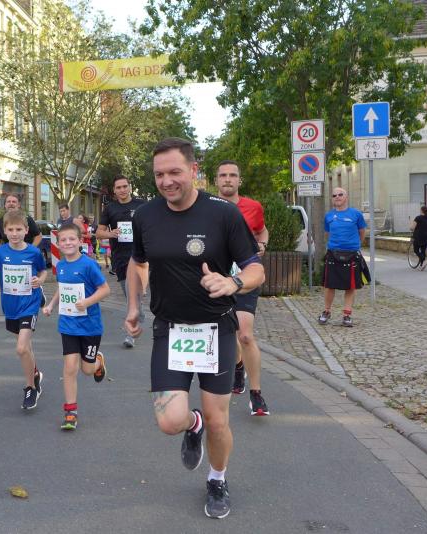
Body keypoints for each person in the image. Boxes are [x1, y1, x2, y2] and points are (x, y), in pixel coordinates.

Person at [125, 137, 264, 519]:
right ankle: (193, 422)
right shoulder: (145, 216)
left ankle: (217, 478)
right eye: (159, 174)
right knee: (170, 421)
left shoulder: (222, 214)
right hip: (169, 329)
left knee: (219, 421)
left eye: (174, 172)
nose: (166, 181)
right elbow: (137, 263)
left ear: (193, 170)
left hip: (216, 329)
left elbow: (255, 268)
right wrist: (134, 305)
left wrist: (233, 283)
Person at [42, 223, 110, 431]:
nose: (68, 243)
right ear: (58, 244)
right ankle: (70, 411)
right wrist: (51, 305)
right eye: (63, 240)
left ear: (80, 241)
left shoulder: (89, 265)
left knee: (87, 370)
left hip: (90, 326)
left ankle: (98, 362)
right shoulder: (61, 266)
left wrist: (87, 302)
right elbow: (62, 288)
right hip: (68, 324)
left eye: (72, 239)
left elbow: (105, 289)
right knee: (70, 368)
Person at [215, 161, 270, 415]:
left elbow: (262, 230)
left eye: (232, 175)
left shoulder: (253, 207)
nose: (228, 179)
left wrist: (263, 245)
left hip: (245, 277)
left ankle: (256, 394)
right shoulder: (206, 207)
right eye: (223, 175)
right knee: (229, 330)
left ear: (239, 180)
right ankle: (238, 366)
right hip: (218, 279)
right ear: (216, 180)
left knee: (245, 335)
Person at [0, 209, 48, 409]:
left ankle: (31, 388)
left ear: (26, 230)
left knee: (21, 348)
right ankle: (35, 374)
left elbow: (43, 271)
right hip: (10, 306)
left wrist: (40, 280)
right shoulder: (0, 253)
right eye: (11, 229)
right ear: (4, 231)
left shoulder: (33, 252)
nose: (14, 233)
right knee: (26, 347)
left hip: (29, 304)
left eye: (19, 229)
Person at [96, 175, 147, 348]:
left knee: (134, 295)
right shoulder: (110, 209)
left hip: (141, 257)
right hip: (121, 258)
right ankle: (137, 314)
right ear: (114, 190)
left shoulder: (142, 205)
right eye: (119, 187)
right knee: (130, 295)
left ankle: (130, 333)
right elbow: (99, 232)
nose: (122, 190)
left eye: (125, 186)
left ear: (130, 187)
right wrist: (110, 233)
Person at [318, 188, 367, 328]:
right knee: (329, 285)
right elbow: (328, 234)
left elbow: (362, 232)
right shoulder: (328, 216)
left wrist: (355, 245)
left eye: (340, 194)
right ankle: (326, 311)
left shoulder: (356, 214)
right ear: (332, 199)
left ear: (346, 197)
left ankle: (347, 315)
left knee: (350, 286)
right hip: (333, 254)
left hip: (351, 254)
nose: (337, 197)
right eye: (334, 195)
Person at [410, 205, 427, 270]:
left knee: (416, 250)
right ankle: (421, 266)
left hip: (418, 237)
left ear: (421, 210)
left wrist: (411, 226)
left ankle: (424, 260)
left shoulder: (418, 218)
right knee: (423, 251)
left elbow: (412, 228)